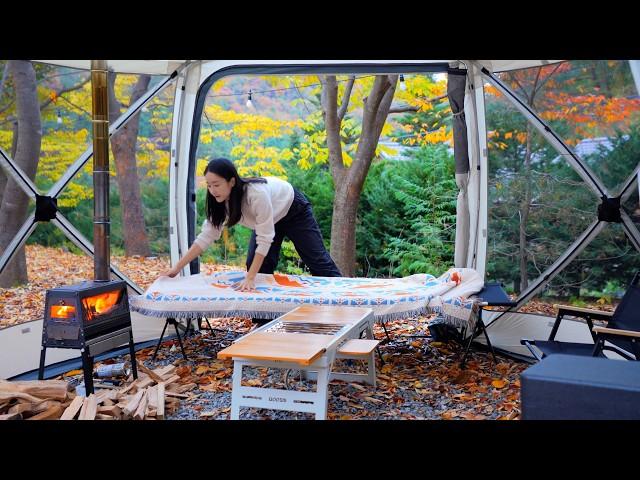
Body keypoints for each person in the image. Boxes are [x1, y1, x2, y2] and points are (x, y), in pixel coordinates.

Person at [159, 157, 342, 291]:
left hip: (293, 209)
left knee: (318, 262)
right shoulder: (219, 202)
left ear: (231, 181)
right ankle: (263, 321)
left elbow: (265, 239)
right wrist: (176, 269)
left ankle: (348, 306)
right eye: (208, 185)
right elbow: (205, 238)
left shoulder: (256, 194)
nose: (212, 190)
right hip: (268, 219)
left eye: (216, 184)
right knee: (257, 266)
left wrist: (250, 277)